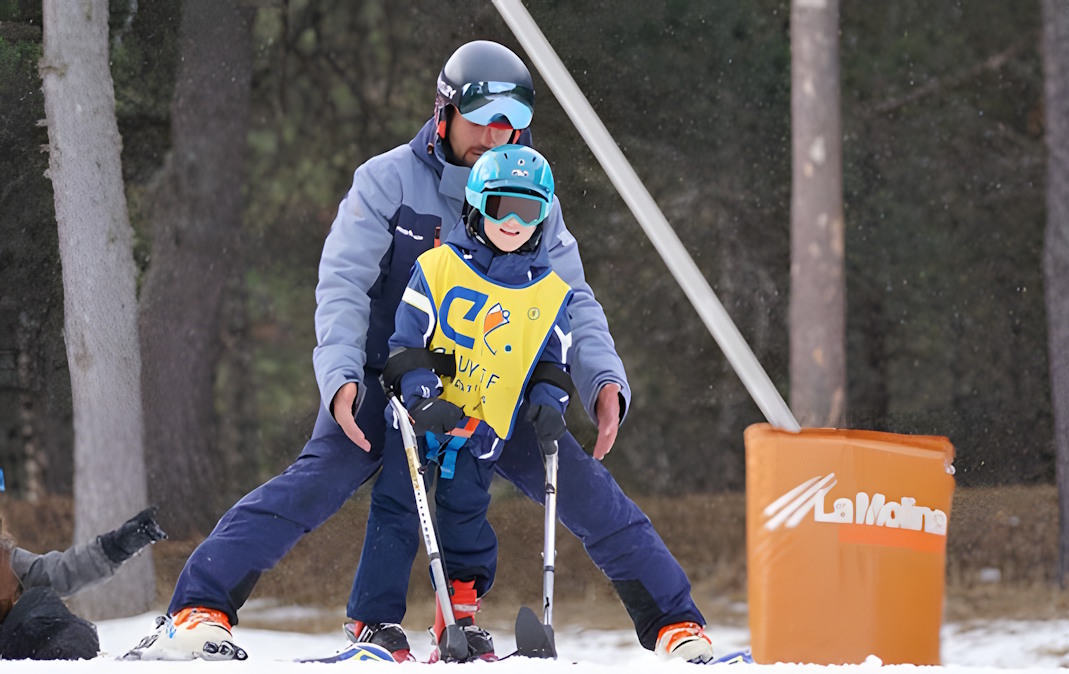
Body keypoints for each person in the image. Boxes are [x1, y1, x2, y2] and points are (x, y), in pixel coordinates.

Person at [126, 39, 712, 665]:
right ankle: (199, 610)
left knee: (587, 493)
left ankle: (678, 627)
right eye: (483, 123)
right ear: (445, 113)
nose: (496, 138)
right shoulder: (388, 180)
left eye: (512, 126)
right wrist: (342, 374)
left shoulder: (532, 193)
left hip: (495, 384)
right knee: (318, 481)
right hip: (391, 377)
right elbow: (344, 282)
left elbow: (573, 299)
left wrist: (603, 380)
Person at [379, 143, 572, 662]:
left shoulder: (550, 293)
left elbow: (553, 363)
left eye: (528, 210)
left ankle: (459, 614)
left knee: (467, 514)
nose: (513, 222)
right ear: (476, 206)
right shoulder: (439, 268)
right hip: (422, 419)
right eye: (501, 206)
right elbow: (406, 343)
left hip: (483, 426)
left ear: (543, 216)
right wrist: (421, 397)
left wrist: (551, 403)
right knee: (397, 510)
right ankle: (373, 619)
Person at [0, 508, 166, 660]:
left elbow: (61, 572)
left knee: (42, 603)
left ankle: (72, 665)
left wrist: (115, 546)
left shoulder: (7, 560)